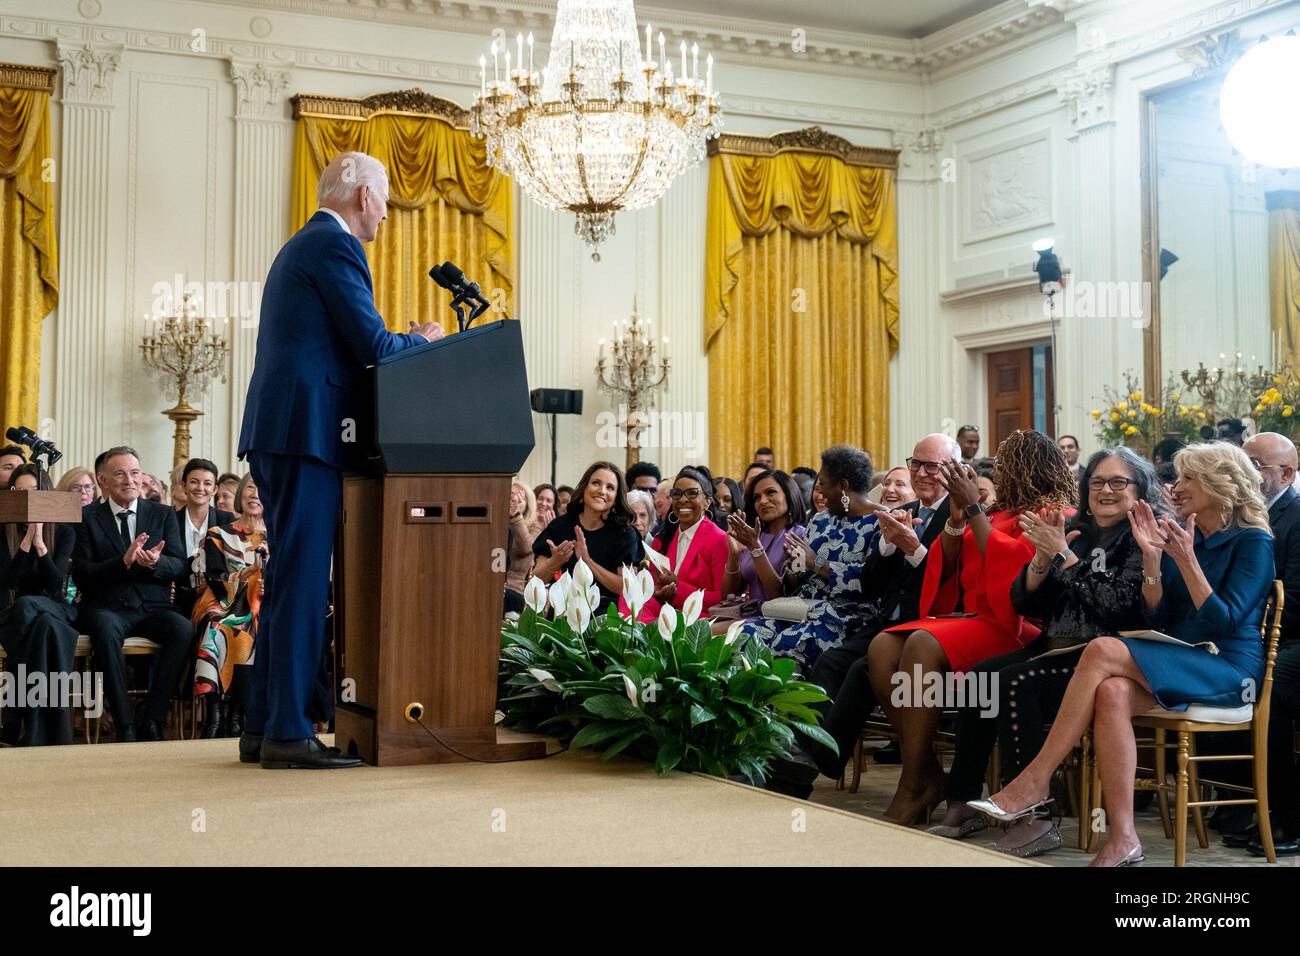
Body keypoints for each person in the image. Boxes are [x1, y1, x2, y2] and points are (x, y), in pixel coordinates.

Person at [237, 150, 443, 769]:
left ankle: (264, 726)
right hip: (307, 434)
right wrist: (428, 340)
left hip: (287, 432)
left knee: (289, 581)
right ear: (362, 197)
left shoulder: (306, 244)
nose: (386, 211)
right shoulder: (335, 246)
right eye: (384, 198)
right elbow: (374, 345)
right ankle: (290, 734)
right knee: (302, 583)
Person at [975, 442, 1274, 866]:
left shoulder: (1253, 541)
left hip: (1228, 667)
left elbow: (1224, 622)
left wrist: (1185, 560)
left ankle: (1035, 780)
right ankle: (1124, 837)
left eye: (1188, 478)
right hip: (1182, 654)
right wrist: (1154, 563)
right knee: (1112, 691)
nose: (1177, 485)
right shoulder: (1185, 533)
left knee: (1101, 649)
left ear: (1219, 483)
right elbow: (1159, 613)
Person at [932, 447, 1160, 855]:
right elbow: (1029, 606)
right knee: (978, 680)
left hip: (1107, 659)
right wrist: (1039, 563)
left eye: (1117, 482)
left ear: (1139, 489)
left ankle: (1034, 819)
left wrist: (1063, 556)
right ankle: (963, 800)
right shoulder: (1080, 531)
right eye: (1096, 482)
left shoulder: (1141, 539)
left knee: (1010, 682)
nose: (1105, 490)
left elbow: (1119, 608)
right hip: (1054, 647)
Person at [868, 429, 1076, 826]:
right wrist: (957, 519)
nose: (999, 476)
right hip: (977, 619)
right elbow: (950, 569)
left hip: (1018, 625)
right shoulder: (997, 512)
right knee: (881, 649)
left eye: (1007, 467)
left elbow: (1013, 572)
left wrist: (974, 511)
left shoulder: (1053, 513)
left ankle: (912, 785)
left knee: (922, 644)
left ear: (1028, 469)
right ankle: (927, 770)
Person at [72, 447, 193, 743]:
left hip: (153, 605)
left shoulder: (162, 514)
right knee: (104, 628)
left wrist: (156, 563)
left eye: (135, 472)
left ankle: (152, 718)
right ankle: (124, 723)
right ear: (102, 480)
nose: (130, 480)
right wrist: (122, 562)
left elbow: (178, 563)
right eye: (120, 473)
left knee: (183, 628)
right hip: (107, 607)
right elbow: (83, 573)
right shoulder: (86, 517)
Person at [735, 446, 878, 671]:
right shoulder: (820, 520)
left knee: (786, 647)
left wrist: (816, 563)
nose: (819, 495)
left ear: (843, 486)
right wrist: (795, 567)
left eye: (824, 486)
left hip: (844, 619)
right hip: (800, 610)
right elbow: (797, 581)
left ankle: (784, 706)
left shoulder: (881, 523)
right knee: (743, 637)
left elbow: (870, 581)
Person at [1240, 431, 1300, 855]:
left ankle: (1286, 817)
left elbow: (1294, 596)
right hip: (1264, 634)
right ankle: (1245, 808)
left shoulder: (1296, 516)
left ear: (1287, 473)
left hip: (1292, 634)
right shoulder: (1247, 514)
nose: (1243, 472)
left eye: (1254, 465)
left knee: (1269, 691)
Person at [0, 464, 79, 745]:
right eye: (19, 491)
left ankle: (12, 720)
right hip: (19, 614)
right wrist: (24, 543)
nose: (27, 498)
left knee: (29, 608)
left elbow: (55, 585)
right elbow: (9, 581)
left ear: (45, 493)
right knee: (38, 624)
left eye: (33, 491)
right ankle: (43, 731)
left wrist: (41, 545)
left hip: (54, 606)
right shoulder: (3, 529)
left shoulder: (65, 531)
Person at [194, 475, 267, 739]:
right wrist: (249, 576)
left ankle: (238, 714)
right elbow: (214, 577)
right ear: (240, 494)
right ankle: (214, 714)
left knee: (250, 623)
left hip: (264, 604)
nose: (255, 493)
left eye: (261, 487)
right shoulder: (219, 533)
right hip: (223, 602)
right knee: (219, 624)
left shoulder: (278, 534)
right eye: (250, 486)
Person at [531, 462, 643, 611]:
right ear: (584, 488)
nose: (602, 491)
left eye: (610, 487)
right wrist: (555, 562)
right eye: (596, 483)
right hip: (564, 612)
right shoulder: (559, 526)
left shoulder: (625, 534)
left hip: (607, 616)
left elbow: (625, 587)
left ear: (616, 497)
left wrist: (588, 562)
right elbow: (537, 578)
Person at [630, 467, 730, 623]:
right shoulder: (662, 539)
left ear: (707, 502)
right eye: (677, 494)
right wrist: (659, 592)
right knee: (630, 593)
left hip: (697, 618)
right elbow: (652, 587)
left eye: (692, 493)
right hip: (664, 610)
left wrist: (678, 587)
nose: (683, 499)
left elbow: (721, 599)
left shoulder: (719, 539)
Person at [720, 469, 806, 613]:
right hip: (748, 615)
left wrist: (756, 549)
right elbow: (728, 596)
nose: (763, 501)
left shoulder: (801, 537)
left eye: (770, 492)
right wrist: (734, 554)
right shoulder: (753, 537)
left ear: (789, 494)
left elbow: (781, 599)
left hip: (782, 621)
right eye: (757, 497)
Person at [175, 458, 237, 619]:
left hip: (216, 599)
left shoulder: (227, 520)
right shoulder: (170, 520)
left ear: (215, 489)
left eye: (208, 483)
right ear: (184, 485)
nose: (201, 488)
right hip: (178, 601)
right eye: (194, 482)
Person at [503, 480, 537, 614]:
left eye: (519, 498)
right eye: (510, 495)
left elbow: (526, 549)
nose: (513, 500)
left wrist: (517, 517)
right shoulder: (498, 524)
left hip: (514, 591)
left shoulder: (535, 528)